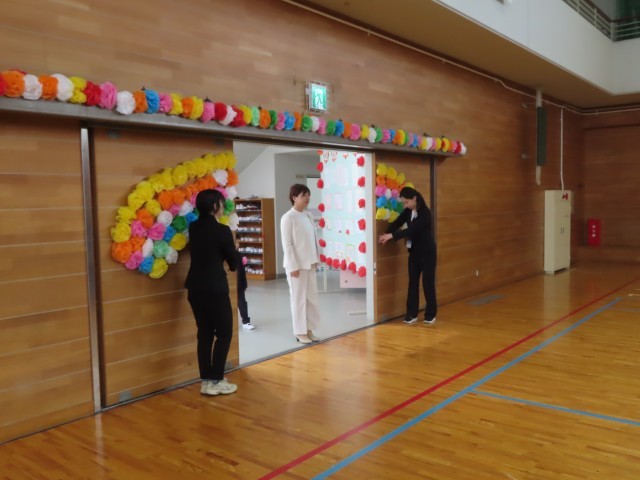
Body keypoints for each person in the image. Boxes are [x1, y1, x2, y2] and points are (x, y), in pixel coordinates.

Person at [185, 189, 238, 396]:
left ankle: (207, 380)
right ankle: (216, 380)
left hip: (195, 288)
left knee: (205, 333)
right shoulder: (222, 230)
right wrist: (235, 250)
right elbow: (233, 262)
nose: (223, 207)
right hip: (215, 288)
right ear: (215, 206)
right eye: (221, 204)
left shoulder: (193, 227)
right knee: (224, 333)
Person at [378, 186, 437, 325]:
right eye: (403, 202)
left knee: (427, 283)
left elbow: (411, 230)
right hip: (414, 253)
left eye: (406, 202)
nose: (405, 205)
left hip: (427, 253)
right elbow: (398, 222)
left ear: (414, 198)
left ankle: (430, 314)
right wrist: (386, 233)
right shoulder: (408, 211)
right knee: (413, 283)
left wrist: (392, 236)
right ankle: (412, 314)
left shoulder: (425, 214)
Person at [280, 184, 321, 344]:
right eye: (304, 195)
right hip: (296, 266)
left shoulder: (308, 215)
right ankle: (299, 331)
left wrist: (316, 259)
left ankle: (309, 329)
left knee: (311, 299)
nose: (307, 198)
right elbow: (287, 244)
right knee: (299, 300)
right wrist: (293, 266)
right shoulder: (288, 217)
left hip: (310, 263)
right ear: (294, 197)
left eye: (308, 195)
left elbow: (313, 240)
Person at [235, 240, 255, 330]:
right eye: (235, 243)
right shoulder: (228, 255)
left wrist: (243, 284)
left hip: (240, 284)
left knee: (242, 302)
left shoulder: (239, 255)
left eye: (238, 243)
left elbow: (241, 272)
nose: (237, 245)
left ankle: (246, 322)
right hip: (230, 284)